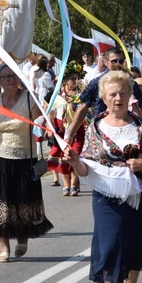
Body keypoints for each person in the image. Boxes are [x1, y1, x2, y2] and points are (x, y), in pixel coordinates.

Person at [61, 71, 142, 283]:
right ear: (104, 98)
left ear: (130, 96)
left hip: (136, 195)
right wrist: (75, 161)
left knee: (132, 247)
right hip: (105, 196)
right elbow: (86, 169)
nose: (118, 98)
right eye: (112, 94)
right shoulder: (95, 128)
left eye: (122, 93)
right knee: (109, 246)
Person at [0, 62, 53, 262]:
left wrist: (43, 128)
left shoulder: (29, 100)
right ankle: (4, 248)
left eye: (13, 76)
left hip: (24, 159)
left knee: (23, 201)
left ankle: (22, 238)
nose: (10, 79)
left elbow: (39, 128)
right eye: (6, 77)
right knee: (0, 203)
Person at [66, 48, 142, 142]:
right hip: (102, 132)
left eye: (120, 61)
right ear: (105, 62)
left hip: (127, 132)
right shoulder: (96, 83)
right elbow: (83, 109)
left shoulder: (132, 84)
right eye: (114, 61)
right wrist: (71, 134)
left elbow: (140, 111)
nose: (118, 64)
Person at [47, 61, 86, 197]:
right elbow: (51, 112)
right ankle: (66, 185)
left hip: (77, 130)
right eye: (72, 79)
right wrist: (49, 128)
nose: (75, 81)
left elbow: (87, 112)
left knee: (75, 155)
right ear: (65, 81)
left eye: (77, 79)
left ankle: (75, 183)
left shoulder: (82, 95)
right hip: (61, 131)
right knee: (63, 157)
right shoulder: (57, 96)